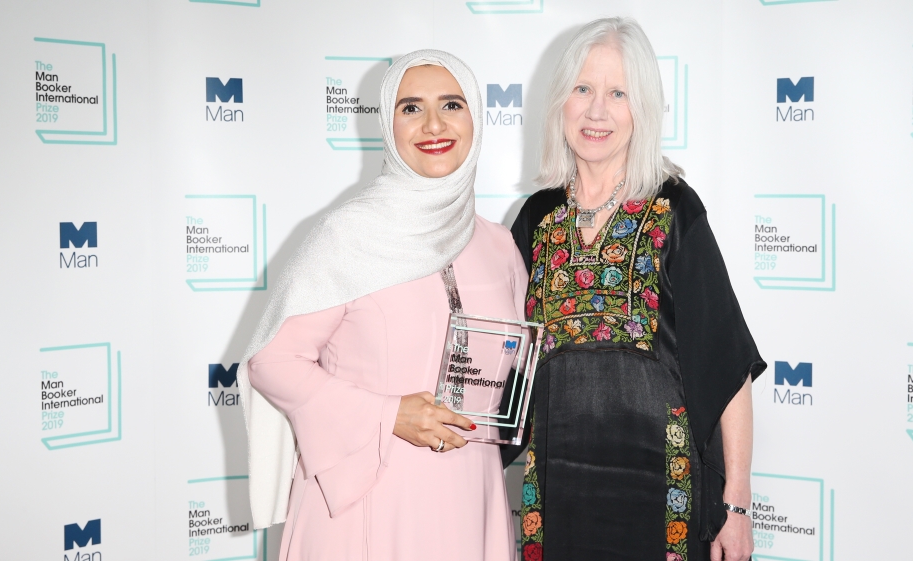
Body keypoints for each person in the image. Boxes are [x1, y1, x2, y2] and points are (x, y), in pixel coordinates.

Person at [236, 50, 522, 561]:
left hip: (469, 492)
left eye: (452, 104)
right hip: (369, 497)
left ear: (475, 116)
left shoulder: (499, 245)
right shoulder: (346, 235)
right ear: (388, 125)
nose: (434, 124)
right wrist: (388, 414)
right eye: (411, 108)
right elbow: (271, 362)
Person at [505, 18, 766, 561]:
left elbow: (728, 365)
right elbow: (505, 359)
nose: (597, 111)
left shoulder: (675, 210)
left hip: (662, 500)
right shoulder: (535, 219)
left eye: (618, 93)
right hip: (557, 500)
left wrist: (737, 506)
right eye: (583, 89)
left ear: (642, 109)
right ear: (560, 102)